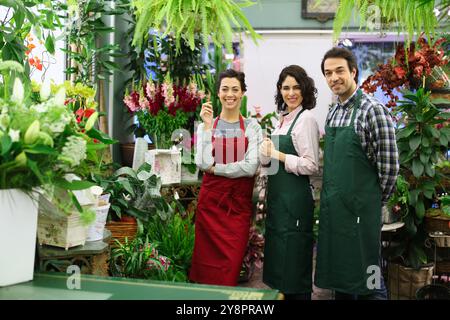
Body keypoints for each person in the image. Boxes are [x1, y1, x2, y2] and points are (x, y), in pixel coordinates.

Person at [314, 47, 399, 300]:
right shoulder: (333, 112)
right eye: (328, 73)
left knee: (370, 279)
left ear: (353, 71)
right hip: (335, 214)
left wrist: (371, 202)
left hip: (362, 213)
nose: (334, 78)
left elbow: (390, 167)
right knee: (342, 277)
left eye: (339, 71)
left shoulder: (373, 110)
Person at [190, 69, 263, 286]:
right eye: (225, 89)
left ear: (242, 94)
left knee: (229, 268)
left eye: (235, 89)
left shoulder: (252, 126)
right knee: (205, 268)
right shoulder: (208, 125)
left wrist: (217, 168)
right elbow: (202, 163)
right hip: (210, 206)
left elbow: (250, 167)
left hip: (237, 208)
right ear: (218, 93)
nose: (229, 94)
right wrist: (205, 125)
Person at [260, 65, 320, 300]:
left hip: (295, 202)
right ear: (280, 90)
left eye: (296, 87)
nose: (291, 93)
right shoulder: (282, 120)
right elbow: (269, 165)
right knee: (279, 266)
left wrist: (278, 155)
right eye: (286, 87)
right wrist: (265, 152)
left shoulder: (306, 119)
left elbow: (311, 165)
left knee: (294, 265)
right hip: (278, 203)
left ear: (304, 90)